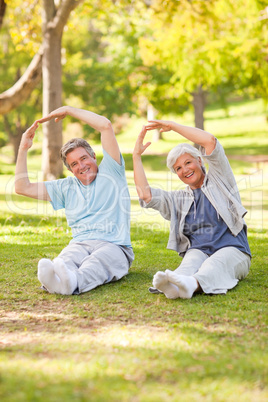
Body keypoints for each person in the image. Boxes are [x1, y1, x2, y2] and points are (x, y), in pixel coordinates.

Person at [15, 106, 134, 295]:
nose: (81, 166)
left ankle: (73, 282)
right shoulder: (66, 187)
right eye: (74, 164)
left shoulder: (112, 170)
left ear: (94, 157)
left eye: (84, 158)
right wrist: (23, 148)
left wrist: (69, 110)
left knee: (96, 262)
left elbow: (105, 126)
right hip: (80, 243)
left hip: (115, 247)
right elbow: (22, 187)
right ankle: (55, 280)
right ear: (70, 170)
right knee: (67, 258)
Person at [133, 120, 251, 299]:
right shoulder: (178, 200)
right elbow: (145, 195)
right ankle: (174, 286)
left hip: (233, 249)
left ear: (199, 160)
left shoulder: (220, 179)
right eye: (178, 168)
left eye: (188, 162)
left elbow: (210, 141)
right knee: (188, 264)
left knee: (214, 265)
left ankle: (191, 285)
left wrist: (173, 127)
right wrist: (136, 155)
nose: (185, 170)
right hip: (199, 250)